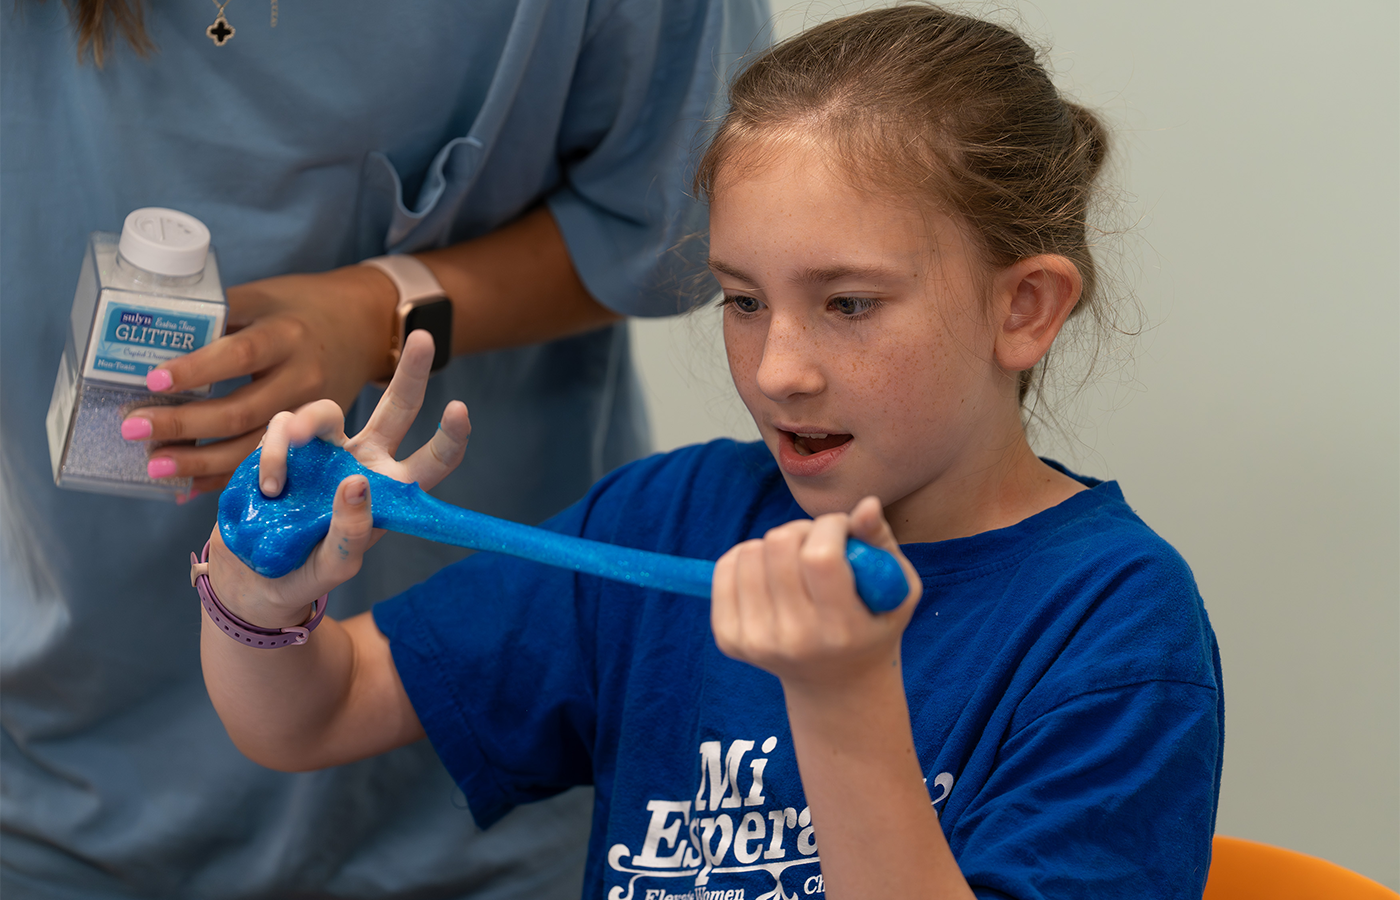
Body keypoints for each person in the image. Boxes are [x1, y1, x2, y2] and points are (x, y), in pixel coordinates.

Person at [198, 5, 1225, 899]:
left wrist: (839, 699)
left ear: (1023, 308)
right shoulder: (667, 519)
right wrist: (259, 591)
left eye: (848, 304)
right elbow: (312, 714)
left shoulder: (1115, 627)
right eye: (742, 300)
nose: (777, 369)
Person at [0, 1, 768, 897]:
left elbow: (671, 212)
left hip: (469, 781)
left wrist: (380, 310)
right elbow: (295, 717)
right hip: (68, 769)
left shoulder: (683, 532)